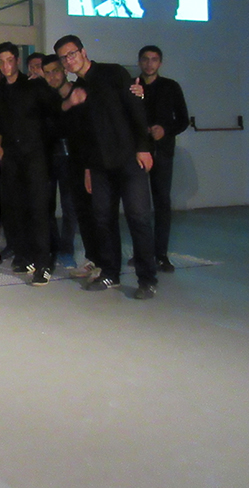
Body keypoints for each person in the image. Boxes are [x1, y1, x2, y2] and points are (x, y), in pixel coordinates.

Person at [54, 34, 157, 299]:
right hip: (99, 165)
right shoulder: (78, 90)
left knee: (138, 217)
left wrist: (143, 147)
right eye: (64, 58)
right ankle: (110, 273)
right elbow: (82, 135)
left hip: (129, 159)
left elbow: (135, 108)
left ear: (83, 52)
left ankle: (147, 279)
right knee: (103, 219)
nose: (69, 60)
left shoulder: (113, 73)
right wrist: (88, 168)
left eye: (72, 54)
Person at [0, 42, 55, 285]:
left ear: (17, 61)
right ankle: (24, 256)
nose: (6, 65)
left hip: (35, 155)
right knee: (15, 208)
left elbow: (52, 115)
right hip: (12, 156)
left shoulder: (34, 85)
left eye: (10, 60)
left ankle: (43, 263)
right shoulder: (0, 89)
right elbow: (1, 122)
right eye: (1, 61)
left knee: (38, 209)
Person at [137, 45, 189, 273]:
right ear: (140, 61)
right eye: (146, 59)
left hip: (163, 151)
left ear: (160, 62)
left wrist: (165, 130)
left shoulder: (170, 86)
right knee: (138, 206)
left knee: (161, 203)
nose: (149, 64)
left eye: (154, 59)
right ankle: (142, 253)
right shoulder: (133, 86)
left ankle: (160, 254)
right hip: (138, 151)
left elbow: (183, 119)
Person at [42, 53, 92, 273]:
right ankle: (53, 248)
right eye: (47, 73)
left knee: (72, 206)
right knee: (48, 205)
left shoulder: (80, 91)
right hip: (50, 156)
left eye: (55, 70)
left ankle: (67, 249)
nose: (52, 76)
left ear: (64, 69)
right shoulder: (46, 96)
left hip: (75, 158)